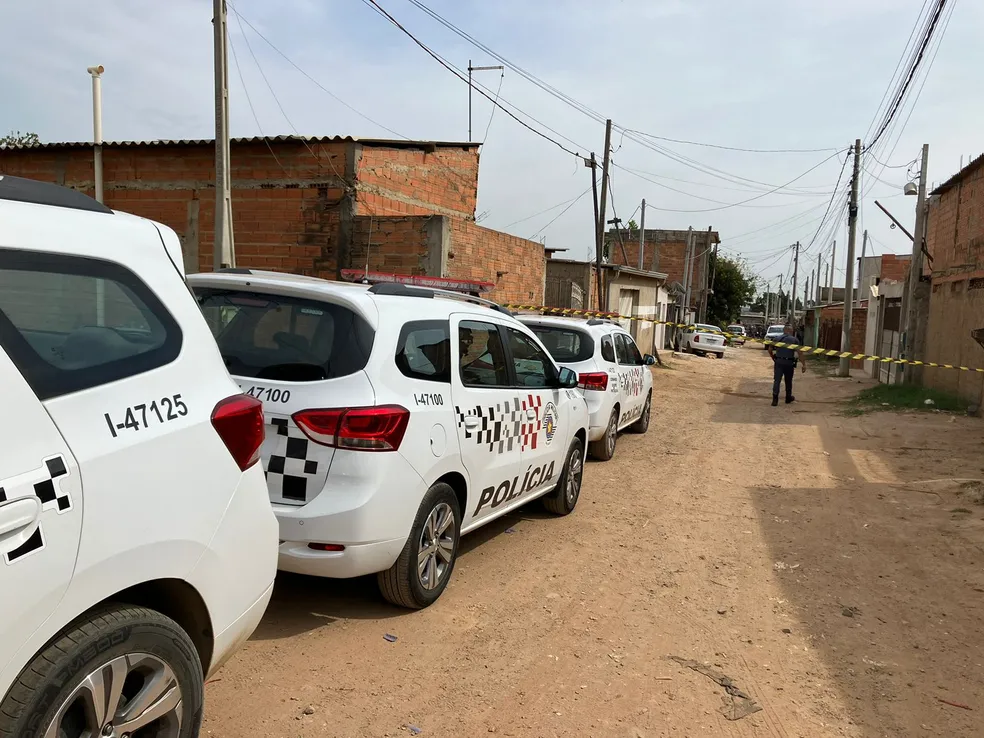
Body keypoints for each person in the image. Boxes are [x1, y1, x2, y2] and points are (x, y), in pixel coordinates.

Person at [766, 322, 806, 406]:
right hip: (789, 363)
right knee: (788, 381)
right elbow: (800, 353)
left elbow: (770, 349)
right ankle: (788, 397)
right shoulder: (794, 340)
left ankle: (775, 399)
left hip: (779, 362)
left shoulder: (777, 339)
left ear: (784, 331)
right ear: (791, 331)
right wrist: (804, 364)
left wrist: (773, 357)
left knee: (777, 380)